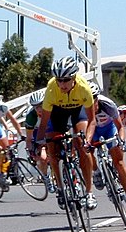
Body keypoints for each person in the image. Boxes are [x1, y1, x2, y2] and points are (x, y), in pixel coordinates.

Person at [36, 56, 97, 210]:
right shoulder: (51, 89)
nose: (62, 84)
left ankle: (89, 192)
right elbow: (44, 123)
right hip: (58, 112)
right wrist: (39, 142)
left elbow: (92, 120)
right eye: (59, 80)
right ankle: (61, 189)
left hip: (78, 111)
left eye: (65, 80)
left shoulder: (84, 88)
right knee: (53, 150)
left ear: (74, 77)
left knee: (83, 147)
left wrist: (88, 140)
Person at [89, 82, 126, 213]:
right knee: (87, 150)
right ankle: (96, 171)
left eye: (93, 100)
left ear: (97, 99)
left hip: (108, 130)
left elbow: (120, 127)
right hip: (92, 130)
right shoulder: (82, 107)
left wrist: (121, 141)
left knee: (119, 162)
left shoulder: (108, 105)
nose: (91, 105)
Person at [25, 88, 55, 193]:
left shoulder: (53, 108)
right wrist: (30, 151)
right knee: (42, 158)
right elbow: (29, 138)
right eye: (36, 107)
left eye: (41, 105)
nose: (39, 109)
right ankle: (46, 177)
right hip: (39, 132)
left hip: (53, 128)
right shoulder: (31, 116)